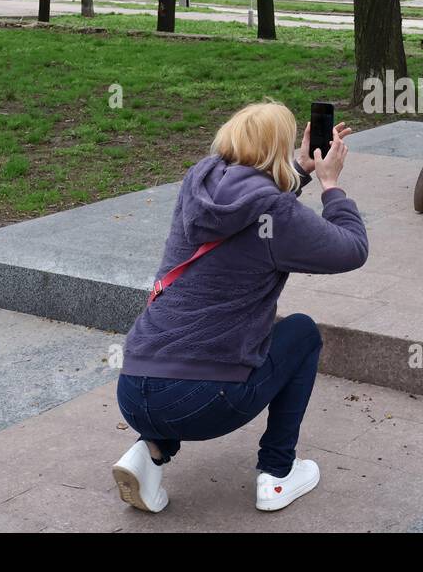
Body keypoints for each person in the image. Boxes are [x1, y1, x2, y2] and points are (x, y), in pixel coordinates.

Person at [112, 101, 367, 514]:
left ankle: (150, 452)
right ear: (275, 151)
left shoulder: (198, 180)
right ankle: (278, 474)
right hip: (206, 402)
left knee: (187, 359)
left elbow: (246, 205)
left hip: (134, 387)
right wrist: (331, 185)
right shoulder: (277, 211)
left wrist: (299, 170)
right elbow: (352, 249)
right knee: (300, 332)